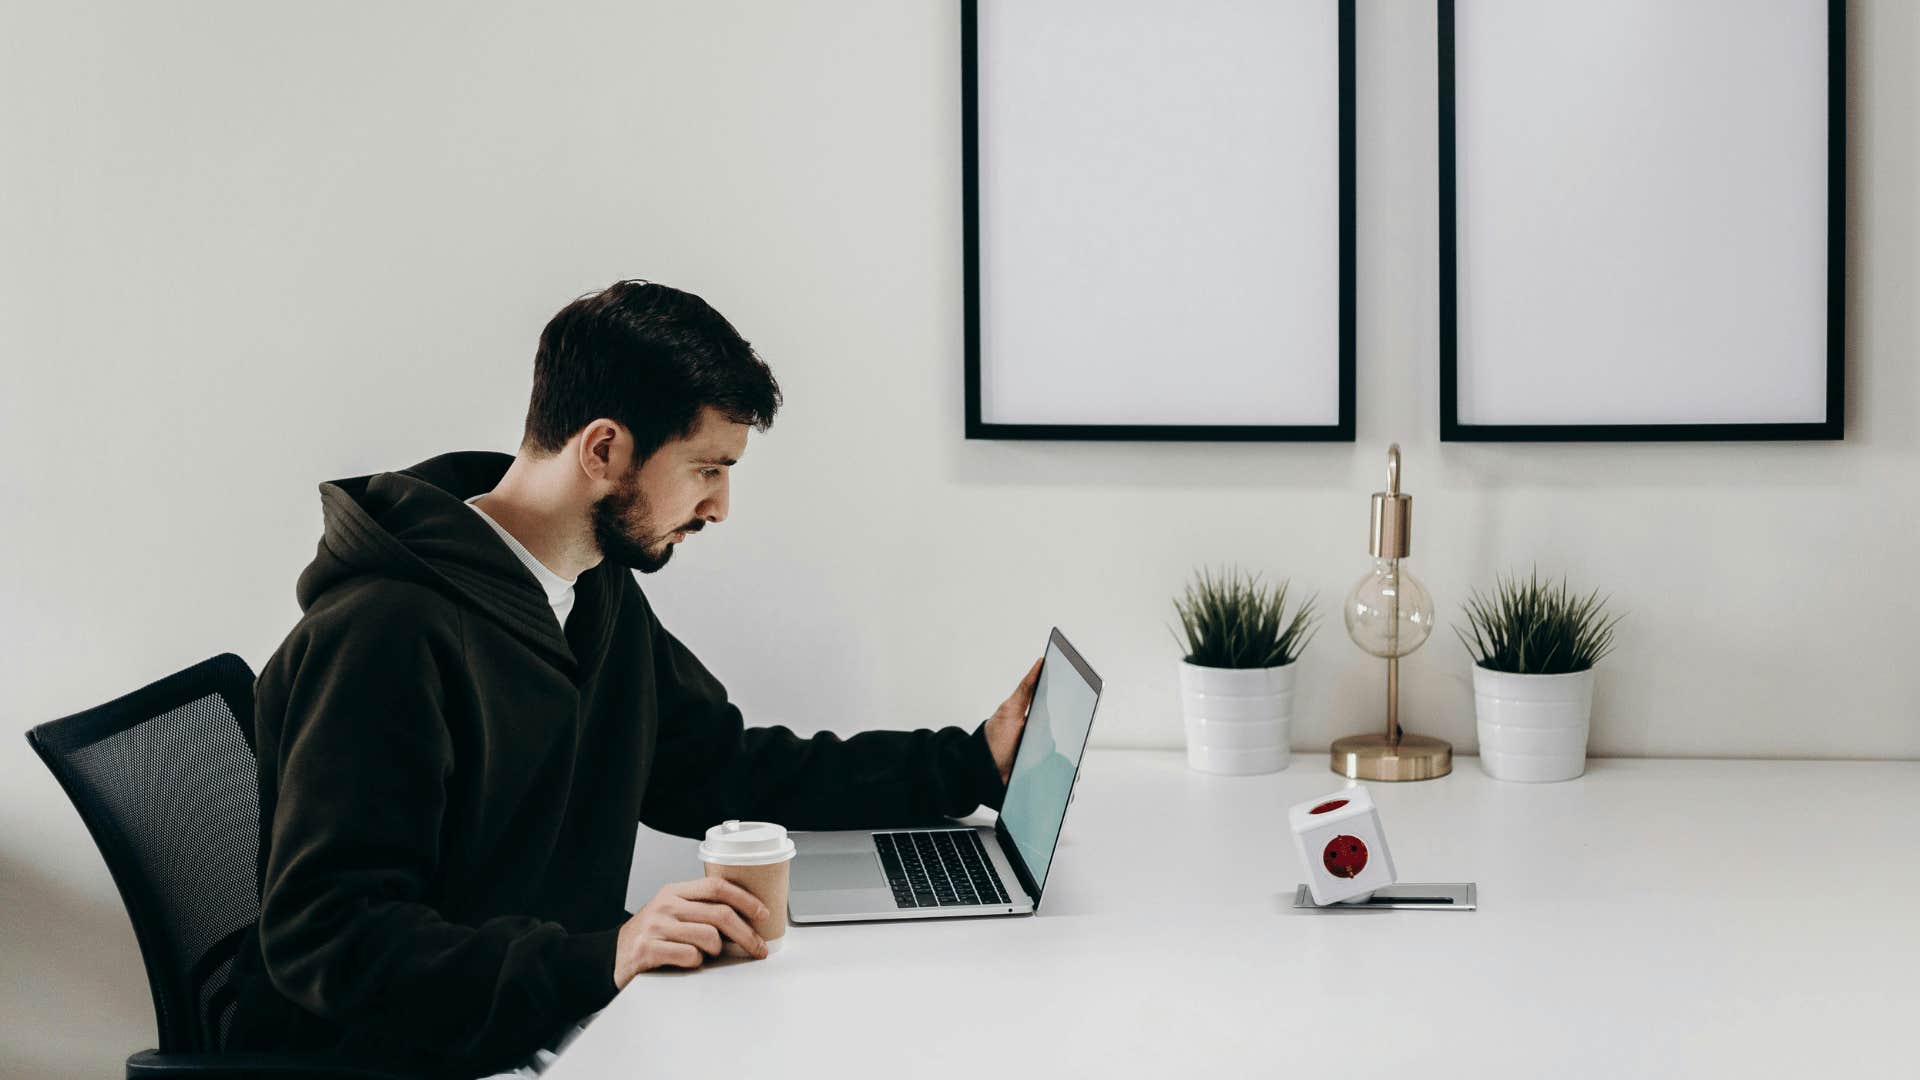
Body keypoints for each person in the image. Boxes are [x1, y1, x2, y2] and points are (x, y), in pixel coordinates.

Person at [226, 280, 1042, 1079]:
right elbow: (328, 937)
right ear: (605, 449)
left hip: (554, 1014)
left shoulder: (592, 589)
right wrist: (602, 956)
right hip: (420, 1053)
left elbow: (715, 766)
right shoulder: (384, 633)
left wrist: (969, 764)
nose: (720, 506)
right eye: (706, 470)